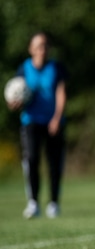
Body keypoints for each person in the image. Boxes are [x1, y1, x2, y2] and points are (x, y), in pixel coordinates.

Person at [7, 32, 67, 219]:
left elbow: (61, 93)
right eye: (38, 46)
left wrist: (57, 117)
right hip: (31, 121)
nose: (42, 49)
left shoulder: (56, 67)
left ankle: (54, 203)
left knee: (54, 163)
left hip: (53, 122)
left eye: (45, 46)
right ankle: (33, 202)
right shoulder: (24, 68)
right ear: (31, 49)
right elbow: (17, 93)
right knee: (31, 159)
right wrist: (13, 103)